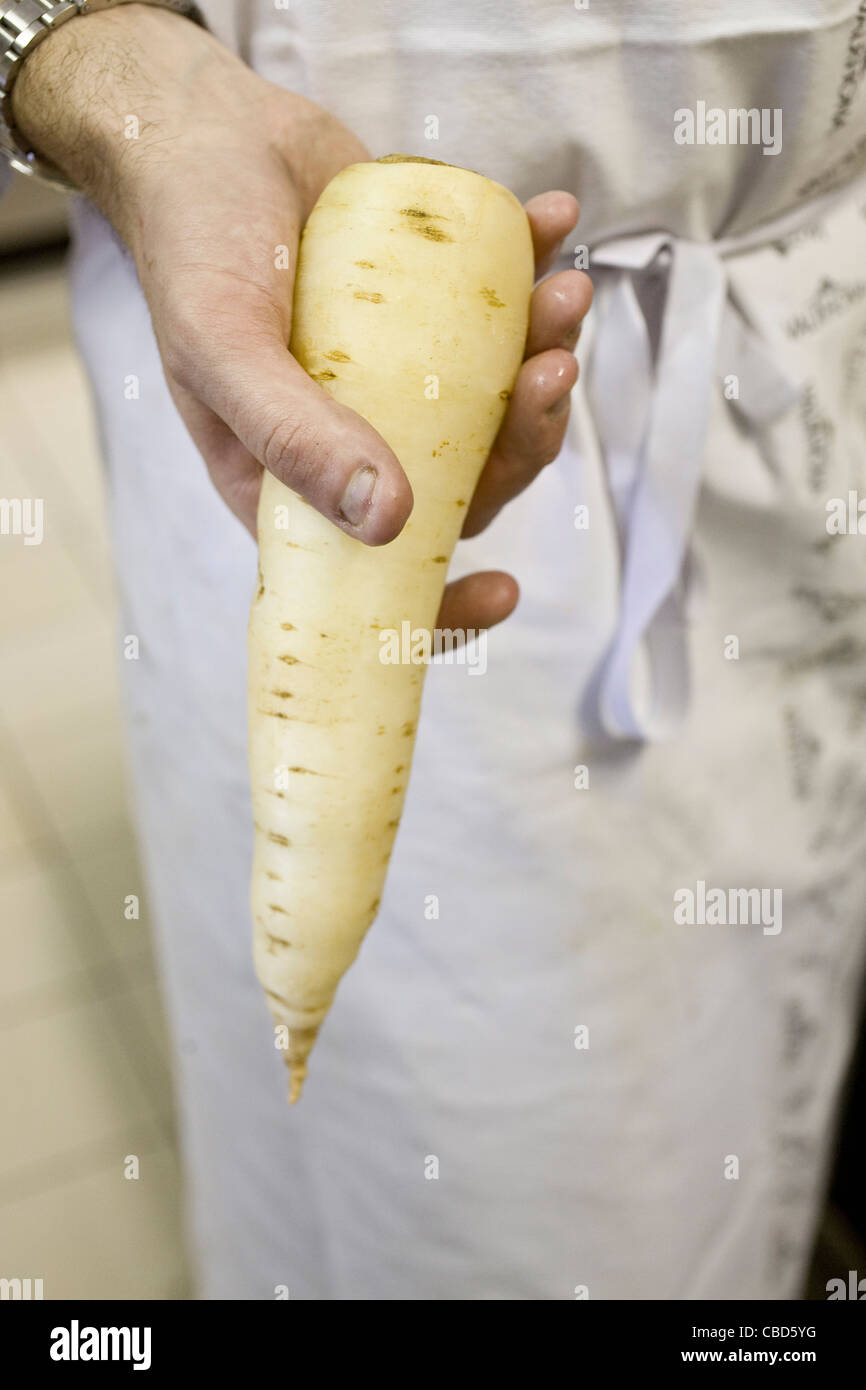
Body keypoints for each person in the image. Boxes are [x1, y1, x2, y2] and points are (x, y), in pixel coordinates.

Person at [4, 0, 866, 1299]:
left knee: (714, 1102)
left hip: (793, 335)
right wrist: (105, 68)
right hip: (273, 323)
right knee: (477, 1176)